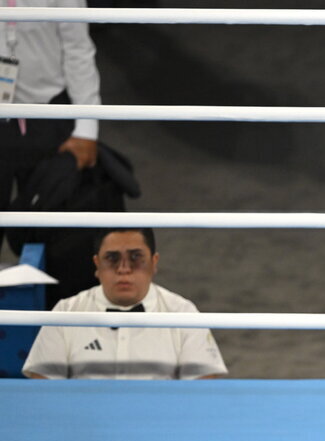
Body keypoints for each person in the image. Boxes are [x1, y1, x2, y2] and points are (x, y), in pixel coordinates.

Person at [22, 227, 228, 379]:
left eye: (135, 258)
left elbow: (203, 387)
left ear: (154, 263)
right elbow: (43, 385)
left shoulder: (183, 313)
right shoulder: (65, 313)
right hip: (84, 429)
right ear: (97, 265)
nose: (123, 269)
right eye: (112, 258)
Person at [1, 0, 103, 300]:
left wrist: (87, 128)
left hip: (49, 118)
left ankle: (60, 330)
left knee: (59, 241)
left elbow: (78, 49)